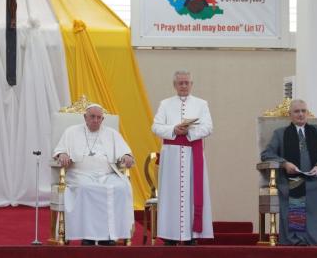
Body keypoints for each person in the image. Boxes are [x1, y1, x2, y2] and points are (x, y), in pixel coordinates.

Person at [261, 99, 317, 246]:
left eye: (303, 111)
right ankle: (298, 238)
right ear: (290, 115)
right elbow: (266, 154)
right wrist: (284, 163)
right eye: (296, 111)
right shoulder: (280, 133)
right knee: (297, 189)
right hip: (290, 180)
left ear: (307, 113)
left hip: (314, 178)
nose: (300, 114)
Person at [53, 104, 135, 245]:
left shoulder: (112, 134)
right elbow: (59, 151)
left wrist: (127, 156)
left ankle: (109, 236)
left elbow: (125, 152)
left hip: (107, 174)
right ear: (85, 117)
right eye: (92, 117)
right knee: (86, 188)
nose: (96, 120)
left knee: (121, 188)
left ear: (103, 119)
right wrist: (63, 154)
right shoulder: (71, 132)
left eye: (99, 118)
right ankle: (88, 236)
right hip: (80, 174)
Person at [152, 70, 213, 245]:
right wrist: (173, 129)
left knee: (193, 194)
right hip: (171, 156)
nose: (184, 86)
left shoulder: (201, 104)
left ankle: (192, 235)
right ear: (175, 85)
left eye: (187, 83)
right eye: (180, 83)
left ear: (191, 84)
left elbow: (209, 127)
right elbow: (155, 127)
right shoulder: (165, 104)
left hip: (193, 155)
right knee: (171, 194)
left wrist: (189, 131)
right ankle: (170, 235)